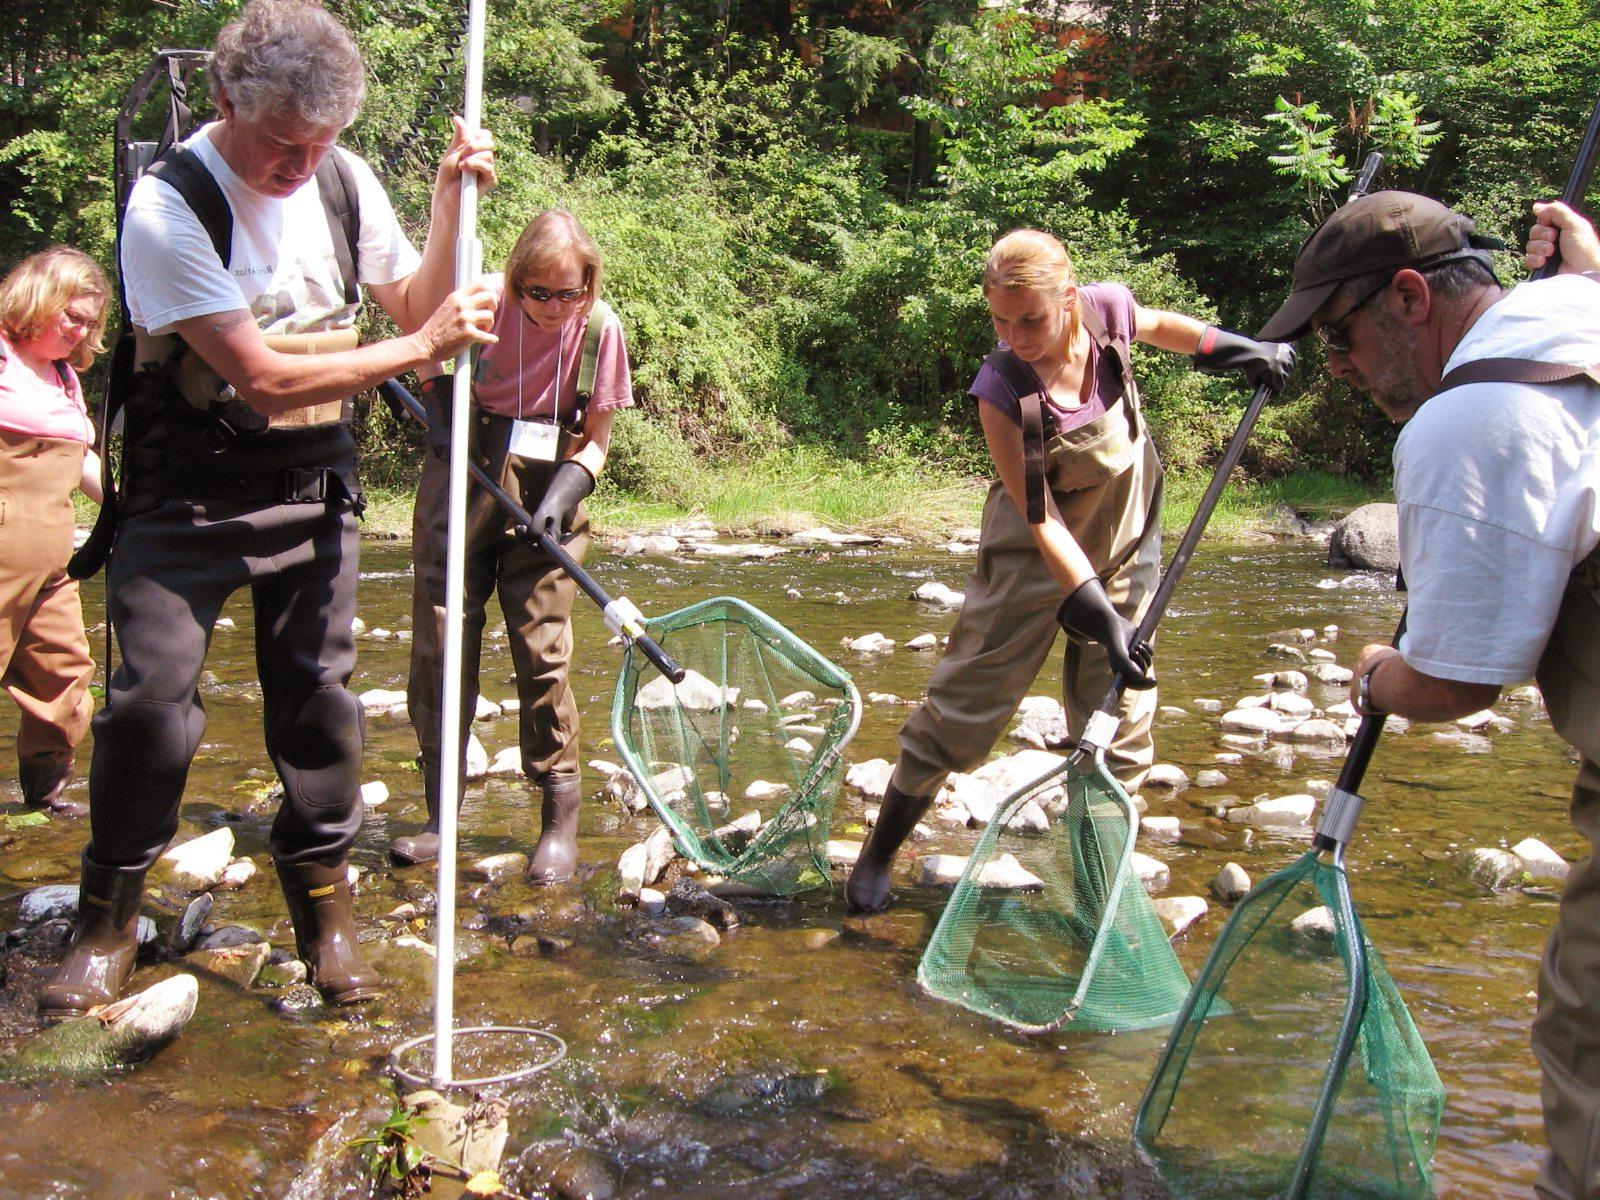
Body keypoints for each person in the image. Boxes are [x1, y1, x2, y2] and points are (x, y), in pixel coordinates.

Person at [38, 0, 499, 1019]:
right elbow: (261, 377)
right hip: (184, 496)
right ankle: (106, 918)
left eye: (319, 143)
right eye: (281, 145)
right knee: (151, 708)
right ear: (222, 99)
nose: (299, 166)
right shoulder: (166, 208)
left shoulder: (342, 179)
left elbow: (416, 306)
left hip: (313, 487)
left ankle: (325, 914)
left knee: (320, 706)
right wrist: (426, 353)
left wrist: (448, 199)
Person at [1256, 190, 1600, 1200]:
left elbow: (1456, 682)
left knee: (1584, 1027)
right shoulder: (1574, 309)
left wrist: (1377, 674)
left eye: (1339, 336)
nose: (1338, 367)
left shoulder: (1464, 420)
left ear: (1409, 296)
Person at [844, 228, 1294, 912]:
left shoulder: (1105, 310)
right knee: (965, 706)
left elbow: (1161, 325)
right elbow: (1041, 519)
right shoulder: (1004, 389)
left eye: (1031, 318)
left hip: (1123, 542)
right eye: (1000, 319)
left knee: (1123, 719)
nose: (1016, 334)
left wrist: (1234, 349)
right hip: (1031, 558)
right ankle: (877, 855)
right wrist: (1091, 608)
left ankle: (1096, 887)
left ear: (1070, 297)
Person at [389, 209, 634, 879]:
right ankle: (442, 815)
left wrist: (564, 495)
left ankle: (559, 819)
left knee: (541, 650)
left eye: (570, 292)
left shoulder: (600, 328)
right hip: (463, 468)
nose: (555, 307)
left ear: (588, 284)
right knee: (443, 640)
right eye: (539, 293)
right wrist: (441, 413)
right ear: (517, 279)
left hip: (552, 480)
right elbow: (427, 353)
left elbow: (599, 441)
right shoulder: (480, 302)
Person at [0, 247, 110, 820]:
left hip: (51, 563)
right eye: (72, 314)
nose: (81, 330)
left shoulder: (65, 378)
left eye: (90, 322)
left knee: (66, 678)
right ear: (36, 298)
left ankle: (41, 800)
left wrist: (128, 509)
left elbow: (83, 460)